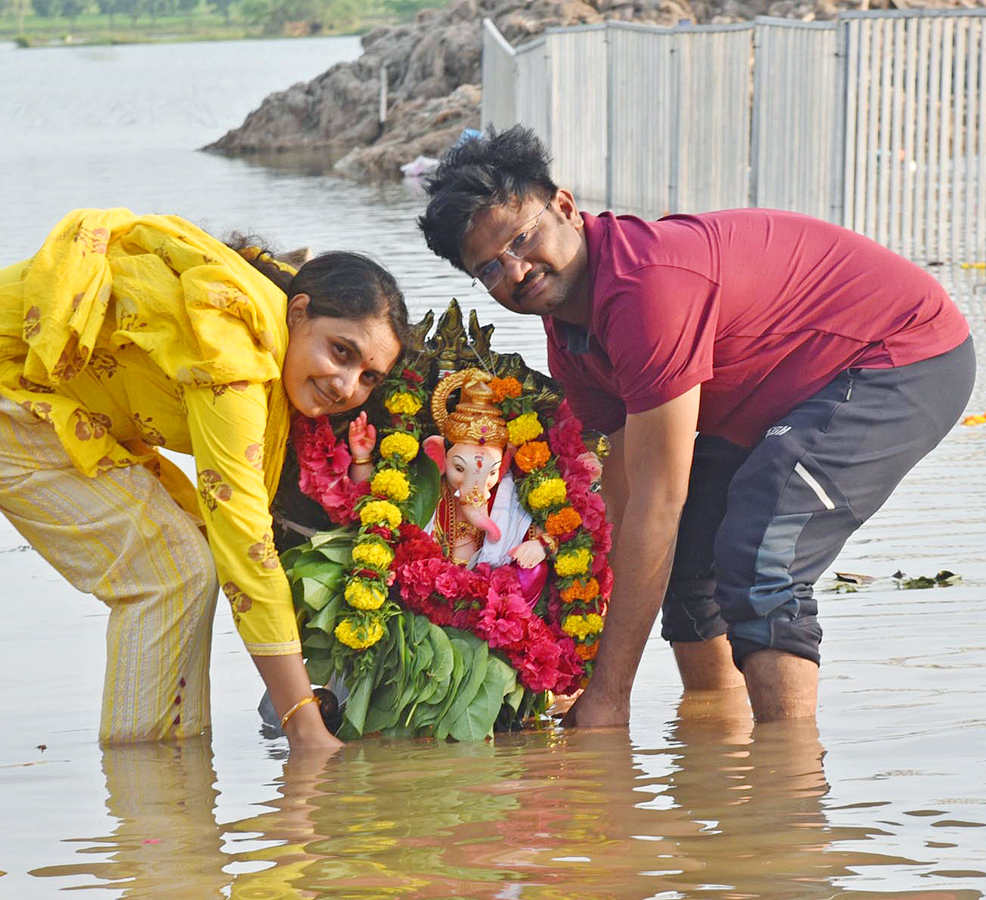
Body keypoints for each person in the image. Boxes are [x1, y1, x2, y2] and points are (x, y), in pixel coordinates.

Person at [0, 208, 408, 752]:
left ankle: (172, 791)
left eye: (369, 377)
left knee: (182, 559)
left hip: (23, 386)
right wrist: (302, 724)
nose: (345, 386)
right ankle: (149, 791)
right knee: (168, 571)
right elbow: (244, 536)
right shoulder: (237, 357)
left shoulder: (268, 345)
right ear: (299, 312)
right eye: (341, 351)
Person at [417, 126, 974, 727]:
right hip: (777, 387)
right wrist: (581, 658)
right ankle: (719, 756)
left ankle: (785, 787)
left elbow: (660, 498)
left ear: (566, 208)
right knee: (687, 563)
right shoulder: (569, 342)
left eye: (522, 240)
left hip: (901, 354)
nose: (517, 270)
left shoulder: (647, 289)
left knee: (761, 555)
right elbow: (627, 496)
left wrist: (610, 698)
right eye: (490, 269)